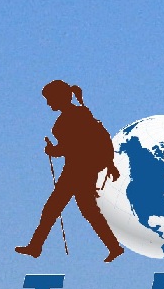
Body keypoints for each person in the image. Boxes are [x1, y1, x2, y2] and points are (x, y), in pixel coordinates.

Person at [20, 80, 127, 261]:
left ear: (59, 98)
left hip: (77, 171)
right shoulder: (80, 115)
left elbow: (72, 147)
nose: (48, 103)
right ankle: (114, 247)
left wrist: (52, 150)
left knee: (55, 209)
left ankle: (35, 247)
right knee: (84, 210)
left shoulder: (70, 118)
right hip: (81, 170)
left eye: (50, 99)